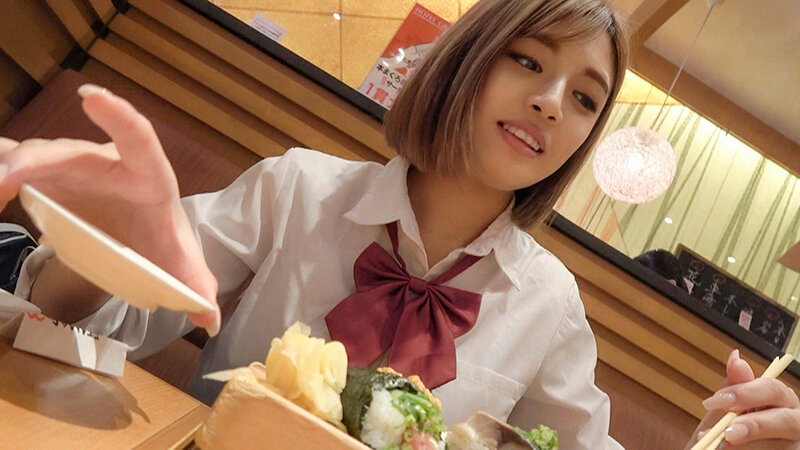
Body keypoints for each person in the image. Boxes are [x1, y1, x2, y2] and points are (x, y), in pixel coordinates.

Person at [1, 0, 798, 448]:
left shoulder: (549, 305)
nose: (553, 102)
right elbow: (99, 325)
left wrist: (720, 442)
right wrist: (101, 239)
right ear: (468, 58)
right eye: (528, 60)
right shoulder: (298, 189)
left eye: (585, 98)